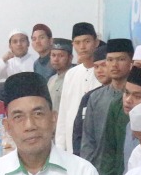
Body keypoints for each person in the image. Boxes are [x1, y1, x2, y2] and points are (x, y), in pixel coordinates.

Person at [74, 38, 133, 168]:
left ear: (131, 63)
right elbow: (88, 140)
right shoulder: (95, 98)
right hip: (100, 169)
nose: (114, 65)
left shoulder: (137, 98)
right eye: (110, 60)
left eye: (121, 59)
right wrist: (89, 170)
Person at [54, 22, 100, 151]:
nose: (82, 47)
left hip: (96, 144)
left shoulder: (104, 74)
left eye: (87, 41)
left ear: (96, 42)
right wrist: (60, 148)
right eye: (78, 43)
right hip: (72, 144)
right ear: (73, 45)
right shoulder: (71, 74)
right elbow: (64, 113)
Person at [69, 44, 111, 154]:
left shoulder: (125, 96)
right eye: (96, 67)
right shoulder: (89, 97)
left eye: (103, 65)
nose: (99, 70)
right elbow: (78, 133)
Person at [45, 38, 72, 110]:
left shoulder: (73, 79)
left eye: (61, 56)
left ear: (70, 58)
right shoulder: (51, 80)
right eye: (53, 55)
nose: (56, 59)